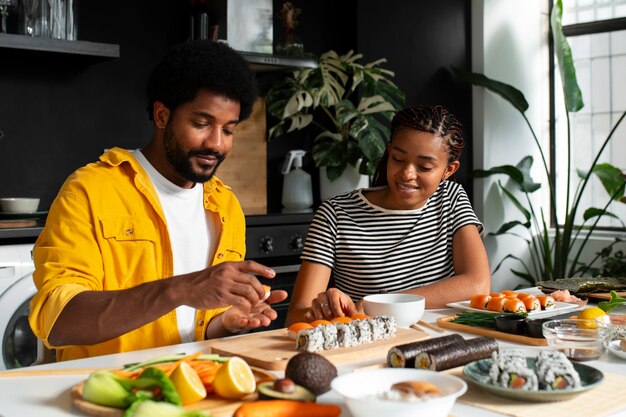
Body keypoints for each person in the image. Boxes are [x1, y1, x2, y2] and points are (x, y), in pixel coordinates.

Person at [28, 40, 287, 362]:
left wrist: (225, 323)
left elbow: (194, 328)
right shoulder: (90, 189)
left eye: (229, 129)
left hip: (193, 386)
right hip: (107, 393)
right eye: (202, 124)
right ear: (162, 115)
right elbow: (59, 323)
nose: (217, 144)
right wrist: (180, 289)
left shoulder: (225, 206)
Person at [285, 104, 490, 325]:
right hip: (371, 347)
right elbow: (296, 316)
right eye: (398, 159)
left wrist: (386, 303)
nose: (407, 173)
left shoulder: (451, 199)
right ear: (389, 152)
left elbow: (477, 284)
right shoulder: (335, 214)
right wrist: (327, 309)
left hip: (442, 343)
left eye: (424, 167)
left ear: (448, 170)